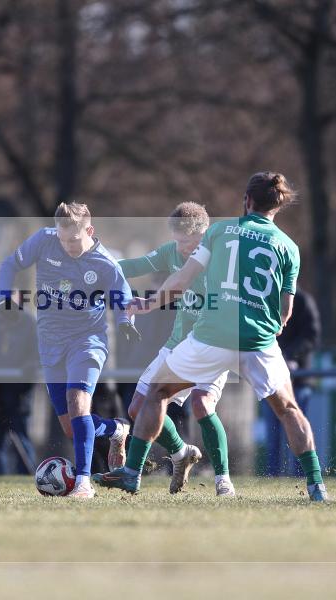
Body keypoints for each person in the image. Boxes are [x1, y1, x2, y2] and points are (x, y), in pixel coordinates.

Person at [95, 172, 328, 502]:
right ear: (277, 206)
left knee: (157, 393)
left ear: (247, 201)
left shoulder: (219, 231)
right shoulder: (289, 247)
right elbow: (286, 309)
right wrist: (270, 327)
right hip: (258, 342)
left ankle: (132, 475)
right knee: (289, 409)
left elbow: (182, 279)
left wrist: (149, 303)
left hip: (211, 338)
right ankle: (316, 485)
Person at [0, 203, 139, 498]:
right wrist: (3, 296)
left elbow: (124, 297)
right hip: (50, 344)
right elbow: (10, 264)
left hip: (87, 341)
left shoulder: (104, 263)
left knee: (78, 403)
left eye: (73, 240)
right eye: (63, 239)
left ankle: (83, 483)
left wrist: (125, 321)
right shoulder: (44, 240)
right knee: (72, 427)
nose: (67, 246)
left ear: (89, 231)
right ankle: (115, 430)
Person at [118, 202, 234, 496]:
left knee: (201, 403)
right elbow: (135, 266)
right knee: (137, 407)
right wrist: (92, 265)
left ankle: (224, 481)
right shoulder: (171, 253)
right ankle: (182, 455)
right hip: (177, 346)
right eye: (177, 241)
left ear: (204, 234)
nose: (181, 248)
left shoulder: (223, 259)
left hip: (213, 345)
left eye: (187, 242)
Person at [0, 291, 38, 475]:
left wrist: (30, 365)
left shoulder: (29, 322)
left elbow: (38, 353)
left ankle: (29, 475)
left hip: (19, 390)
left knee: (20, 436)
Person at [262, 288, 320, 476]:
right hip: (273, 378)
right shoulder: (267, 298)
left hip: (299, 379)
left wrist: (290, 356)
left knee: (295, 423)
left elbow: (312, 335)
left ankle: (303, 475)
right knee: (274, 433)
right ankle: (273, 475)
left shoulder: (303, 301)